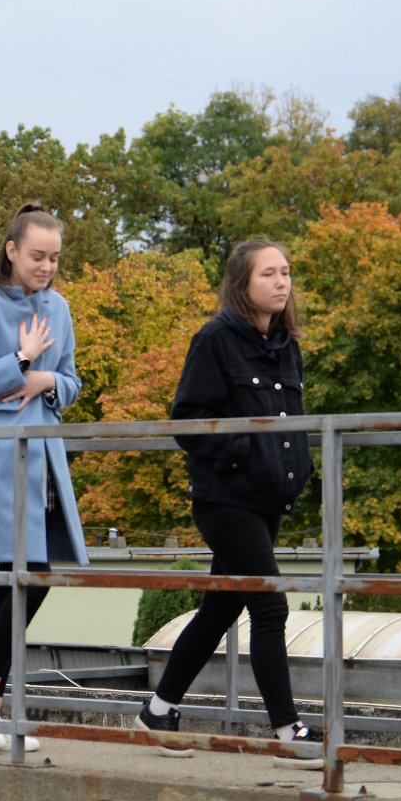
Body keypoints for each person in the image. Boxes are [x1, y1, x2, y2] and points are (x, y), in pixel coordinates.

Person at [138, 239, 322, 755]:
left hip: (268, 500)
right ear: (243, 284)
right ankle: (287, 729)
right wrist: (241, 451)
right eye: (269, 274)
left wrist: (295, 469)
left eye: (286, 272)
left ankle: (158, 708)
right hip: (226, 498)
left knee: (220, 609)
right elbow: (187, 420)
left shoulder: (287, 345)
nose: (282, 282)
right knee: (270, 607)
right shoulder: (215, 339)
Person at [0, 202, 86, 752]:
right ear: (11, 251)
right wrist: (19, 360)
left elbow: (71, 383)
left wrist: (45, 378)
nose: (47, 266)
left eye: (54, 257)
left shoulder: (62, 307)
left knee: (28, 575)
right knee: (25, 574)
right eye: (37, 256)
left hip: (44, 460)